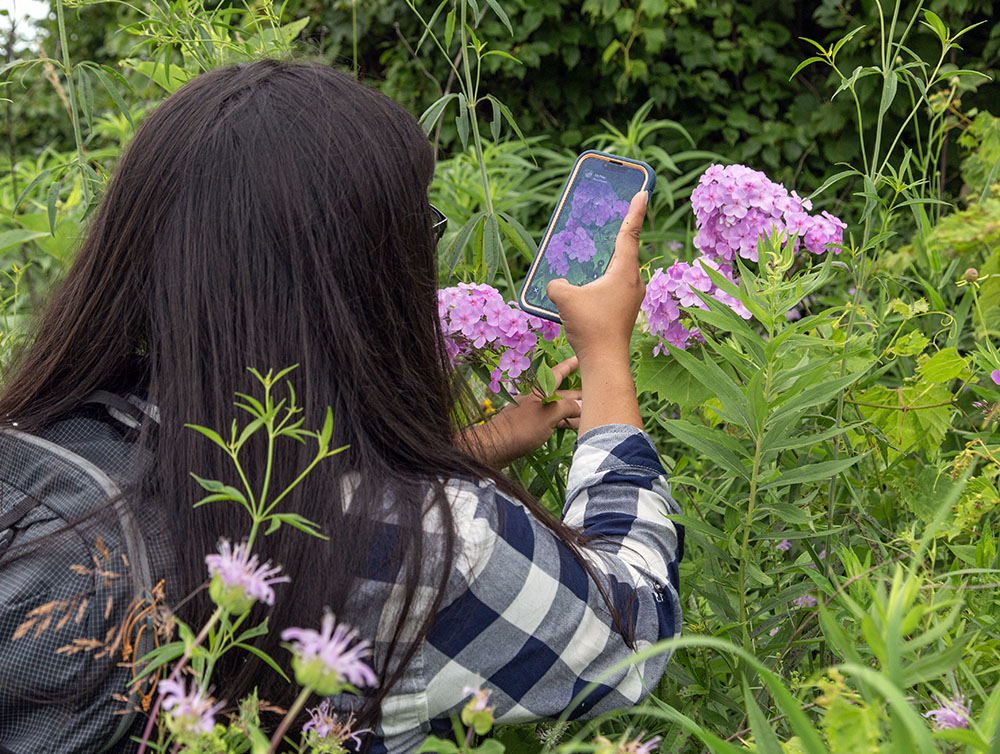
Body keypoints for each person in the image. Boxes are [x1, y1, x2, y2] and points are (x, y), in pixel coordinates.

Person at [0, 60, 682, 753]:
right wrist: (604, 357)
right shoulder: (438, 549)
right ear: (367, 280)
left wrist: (476, 444)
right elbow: (636, 624)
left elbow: (255, 467)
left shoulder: (40, 432)